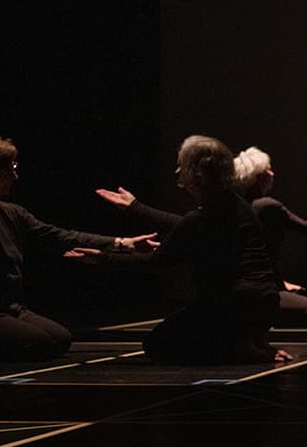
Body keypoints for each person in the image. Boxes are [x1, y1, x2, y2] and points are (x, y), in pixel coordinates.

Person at [0, 132, 157, 360]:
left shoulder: (8, 213)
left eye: (14, 167)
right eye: (7, 170)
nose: (15, 176)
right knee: (38, 343)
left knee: (60, 338)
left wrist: (122, 244)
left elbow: (59, 237)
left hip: (7, 308)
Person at [103, 136, 286, 364]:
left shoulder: (203, 217)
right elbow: (186, 225)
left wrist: (103, 257)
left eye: (182, 164)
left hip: (235, 305)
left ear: (196, 173)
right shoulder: (238, 206)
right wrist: (135, 207)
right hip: (265, 304)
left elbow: (156, 262)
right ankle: (248, 341)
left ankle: (236, 347)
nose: (178, 170)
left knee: (157, 344)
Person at [235, 148, 307, 326]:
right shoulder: (267, 206)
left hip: (250, 286)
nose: (272, 173)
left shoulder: (240, 205)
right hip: (261, 290)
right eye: (268, 169)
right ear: (258, 177)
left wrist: (281, 283)